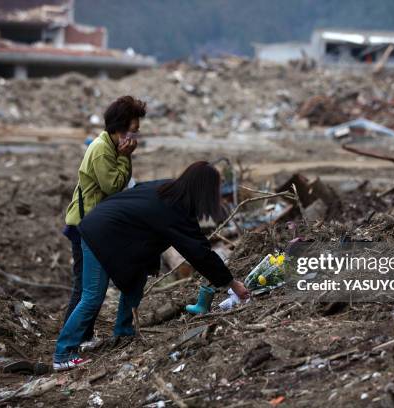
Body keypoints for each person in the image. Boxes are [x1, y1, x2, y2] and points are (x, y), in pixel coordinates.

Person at [53, 161, 250, 370]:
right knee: (93, 296)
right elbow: (199, 252)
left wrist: (150, 261)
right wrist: (231, 283)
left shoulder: (168, 190)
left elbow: (145, 219)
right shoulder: (175, 207)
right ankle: (63, 353)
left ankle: (123, 331)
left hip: (114, 233)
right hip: (99, 233)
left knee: (135, 280)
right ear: (204, 189)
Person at [62, 95, 146, 344]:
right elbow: (113, 187)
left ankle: (82, 336)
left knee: (90, 286)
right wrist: (126, 157)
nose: (135, 137)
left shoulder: (110, 146)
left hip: (97, 224)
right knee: (85, 288)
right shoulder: (102, 150)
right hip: (84, 225)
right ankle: (72, 340)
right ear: (119, 129)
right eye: (132, 131)